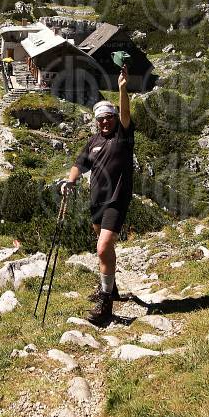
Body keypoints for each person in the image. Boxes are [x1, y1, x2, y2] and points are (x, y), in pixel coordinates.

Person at [61, 65, 134, 326]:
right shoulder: (93, 141)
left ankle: (106, 304)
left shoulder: (123, 137)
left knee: (102, 247)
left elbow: (126, 115)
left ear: (114, 119)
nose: (105, 122)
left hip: (117, 198)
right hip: (96, 201)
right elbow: (79, 163)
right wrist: (70, 180)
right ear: (96, 121)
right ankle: (111, 286)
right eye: (101, 119)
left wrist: (122, 89)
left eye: (109, 117)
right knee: (104, 247)